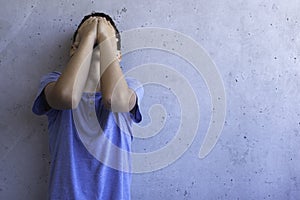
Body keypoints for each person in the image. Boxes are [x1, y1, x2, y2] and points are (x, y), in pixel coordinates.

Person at [32, 12, 143, 200]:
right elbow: (68, 98)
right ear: (74, 50)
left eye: (103, 44)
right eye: (88, 43)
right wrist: (90, 37)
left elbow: (114, 100)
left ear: (117, 55)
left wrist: (104, 38)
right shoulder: (53, 82)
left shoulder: (130, 87)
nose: (95, 46)